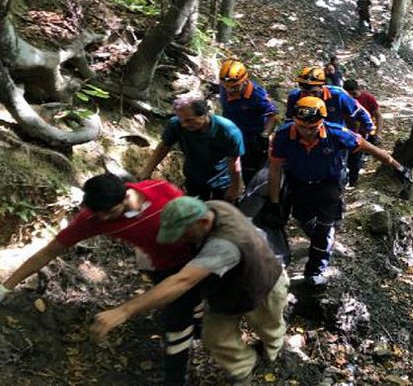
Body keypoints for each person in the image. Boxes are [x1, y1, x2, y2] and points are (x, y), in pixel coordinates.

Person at [0, 174, 200, 386]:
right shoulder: (92, 219)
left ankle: (197, 323)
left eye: (111, 213)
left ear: (125, 196)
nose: (104, 219)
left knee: (190, 305)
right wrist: (6, 287)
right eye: (99, 214)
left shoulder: (159, 189)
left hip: (196, 256)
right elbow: (48, 252)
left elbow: (192, 214)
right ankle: (176, 377)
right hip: (161, 268)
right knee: (177, 320)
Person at [92, 196, 289, 386]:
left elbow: (182, 281)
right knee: (216, 339)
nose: (180, 239)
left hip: (263, 286)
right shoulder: (212, 207)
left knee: (269, 328)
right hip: (224, 292)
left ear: (202, 222)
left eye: (184, 234)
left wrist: (125, 310)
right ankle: (244, 368)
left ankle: (272, 355)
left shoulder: (224, 245)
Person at [266, 97, 411, 288]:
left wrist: (398, 167)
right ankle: (319, 238)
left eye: (313, 127)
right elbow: (275, 169)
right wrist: (274, 202)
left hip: (329, 184)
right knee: (304, 219)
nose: (308, 132)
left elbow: (371, 149)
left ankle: (315, 271)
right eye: (303, 127)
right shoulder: (283, 136)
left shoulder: (336, 133)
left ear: (322, 122)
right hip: (299, 184)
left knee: (325, 229)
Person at [140, 95, 244, 202]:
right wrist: (147, 171)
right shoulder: (176, 124)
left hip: (222, 182)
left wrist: (234, 187)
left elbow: (234, 162)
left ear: (204, 114)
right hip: (193, 179)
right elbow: (163, 147)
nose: (184, 125)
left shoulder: (228, 131)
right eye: (182, 120)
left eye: (190, 120)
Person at [218, 59, 279, 185]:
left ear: (245, 80)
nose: (230, 90)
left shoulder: (257, 95)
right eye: (226, 87)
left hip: (252, 139)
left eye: (235, 87)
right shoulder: (225, 85)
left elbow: (273, 116)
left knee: (250, 171)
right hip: (230, 133)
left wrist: (265, 134)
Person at [285, 66, 373, 135]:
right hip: (307, 137)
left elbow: (358, 112)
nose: (310, 96)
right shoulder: (295, 96)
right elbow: (290, 119)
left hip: (335, 136)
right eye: (305, 92)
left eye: (314, 92)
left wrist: (368, 130)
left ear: (322, 86)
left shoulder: (338, 95)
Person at [343, 79, 384, 187]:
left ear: (359, 89)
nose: (352, 97)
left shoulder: (368, 98)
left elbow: (378, 115)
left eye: (354, 93)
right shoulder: (343, 99)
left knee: (355, 160)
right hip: (346, 133)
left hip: (363, 134)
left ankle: (353, 182)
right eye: (349, 94)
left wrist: (378, 133)